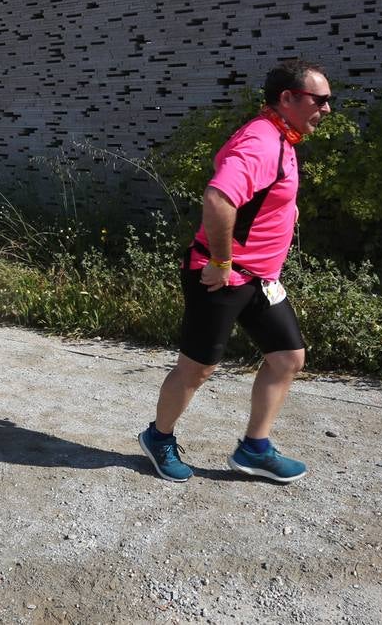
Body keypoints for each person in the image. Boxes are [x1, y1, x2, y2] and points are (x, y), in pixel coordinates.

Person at [139, 59, 332, 485]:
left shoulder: (283, 137)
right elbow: (218, 199)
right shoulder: (262, 141)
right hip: (223, 275)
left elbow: (256, 195)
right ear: (287, 99)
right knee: (197, 369)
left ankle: (254, 449)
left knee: (287, 358)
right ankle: (158, 437)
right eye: (320, 99)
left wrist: (284, 208)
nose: (327, 108)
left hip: (260, 279)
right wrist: (222, 262)